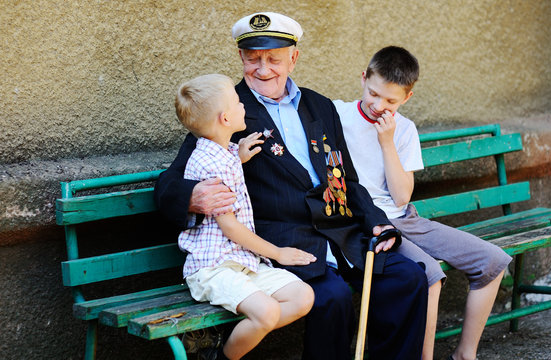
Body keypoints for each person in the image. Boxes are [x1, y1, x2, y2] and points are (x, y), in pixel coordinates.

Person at [155, 13, 428, 360]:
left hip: (342, 234)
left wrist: (375, 220)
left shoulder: (319, 105)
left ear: (293, 58)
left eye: (274, 58)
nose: (263, 68)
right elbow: (169, 183)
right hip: (282, 242)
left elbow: (347, 178)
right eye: (253, 58)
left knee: (408, 281)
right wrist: (193, 196)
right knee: (333, 297)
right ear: (241, 57)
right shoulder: (226, 111)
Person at [333, 45, 512, 360]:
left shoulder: (404, 131)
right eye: (373, 93)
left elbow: (402, 197)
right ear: (363, 78)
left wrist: (387, 142)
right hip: (369, 224)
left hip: (405, 218)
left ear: (407, 98)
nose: (378, 105)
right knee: (430, 274)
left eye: (390, 101)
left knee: (493, 261)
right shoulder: (338, 115)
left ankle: (465, 354)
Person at [173, 73, 316, 360]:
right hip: (213, 268)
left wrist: (238, 157)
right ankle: (223, 356)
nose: (244, 107)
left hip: (242, 263)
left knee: (303, 298)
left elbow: (225, 163)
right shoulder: (212, 164)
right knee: (268, 312)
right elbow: (230, 228)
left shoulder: (223, 152)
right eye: (239, 103)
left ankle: (232, 334)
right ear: (226, 119)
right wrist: (279, 253)